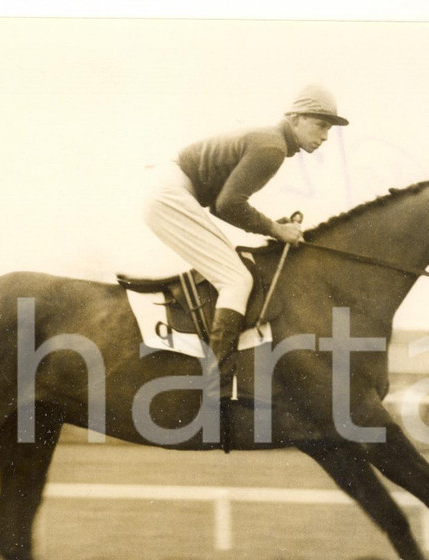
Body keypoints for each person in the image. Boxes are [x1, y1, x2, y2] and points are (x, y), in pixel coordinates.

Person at [143, 83, 349, 397]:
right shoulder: (272, 147)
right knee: (237, 280)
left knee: (233, 275)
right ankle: (216, 387)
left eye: (329, 129)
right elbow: (227, 205)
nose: (324, 136)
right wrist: (277, 230)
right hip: (169, 193)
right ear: (294, 119)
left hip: (167, 187)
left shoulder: (270, 141)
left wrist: (271, 226)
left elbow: (223, 203)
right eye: (320, 125)